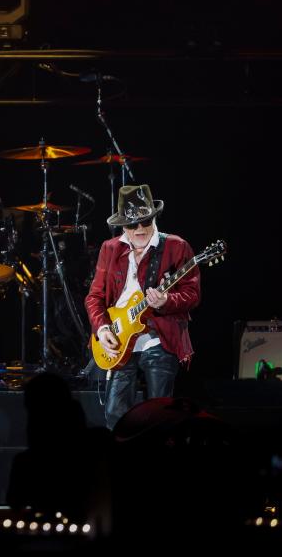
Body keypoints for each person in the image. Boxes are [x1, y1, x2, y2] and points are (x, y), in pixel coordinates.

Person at [85, 184, 201, 429]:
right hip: (119, 339)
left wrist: (166, 301)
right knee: (115, 413)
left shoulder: (176, 246)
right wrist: (103, 329)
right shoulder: (110, 248)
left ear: (154, 218)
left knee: (159, 415)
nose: (139, 229)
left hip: (158, 338)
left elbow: (192, 294)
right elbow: (94, 297)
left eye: (145, 222)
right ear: (122, 225)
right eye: (131, 224)